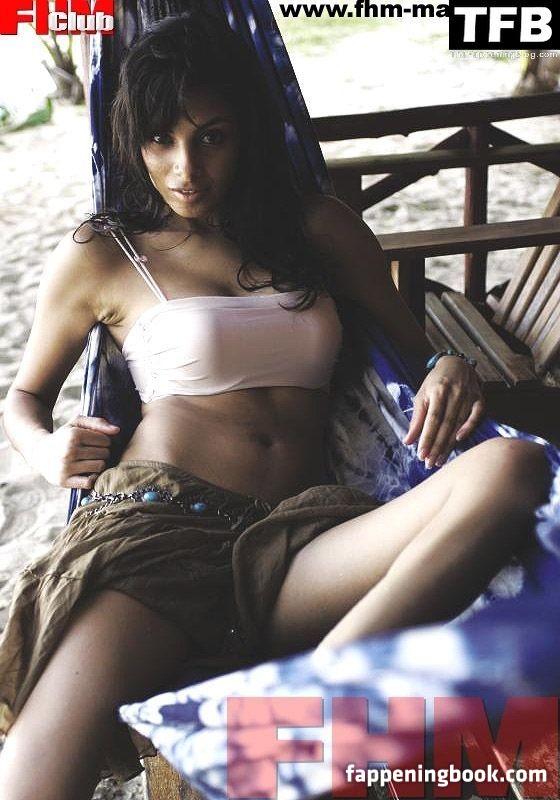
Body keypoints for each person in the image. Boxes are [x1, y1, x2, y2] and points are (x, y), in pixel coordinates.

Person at [0, 9, 550, 800]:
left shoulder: (317, 228)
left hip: (296, 535)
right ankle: (308, 714)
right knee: (36, 780)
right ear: (132, 141)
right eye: (159, 140)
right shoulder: (105, 252)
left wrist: (449, 367)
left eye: (211, 138)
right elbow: (22, 397)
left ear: (249, 132)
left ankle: (304, 705)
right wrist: (47, 448)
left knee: (513, 467)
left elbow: (417, 349)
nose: (186, 168)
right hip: (156, 532)